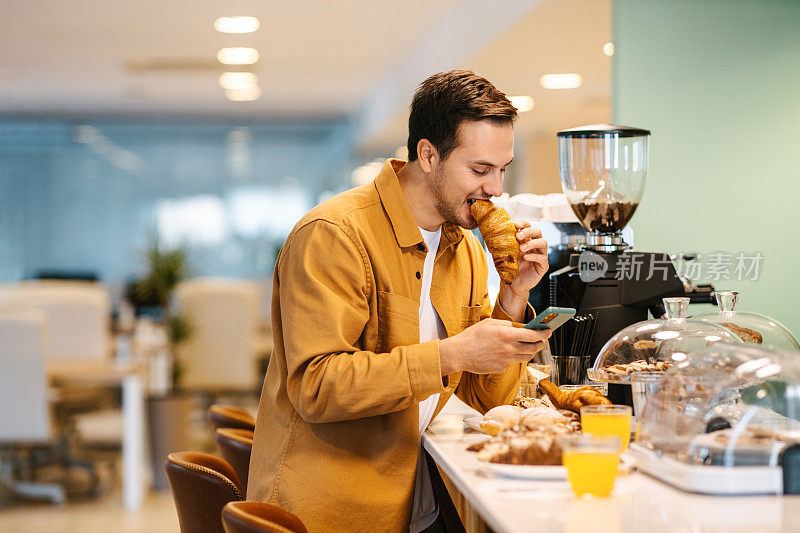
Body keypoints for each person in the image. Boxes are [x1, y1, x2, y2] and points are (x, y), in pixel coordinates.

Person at [248, 70, 550, 533]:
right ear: (427, 155)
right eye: (480, 169)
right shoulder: (334, 234)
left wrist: (514, 296)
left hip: (418, 497)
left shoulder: (464, 248)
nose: (496, 189)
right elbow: (316, 386)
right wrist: (451, 353)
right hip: (329, 511)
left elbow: (479, 400)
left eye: (503, 169)